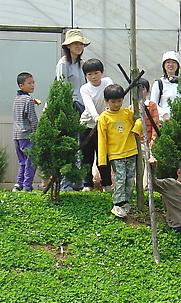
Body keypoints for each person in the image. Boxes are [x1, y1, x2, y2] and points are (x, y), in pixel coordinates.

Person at [97, 84, 142, 218]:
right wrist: (102, 160)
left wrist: (136, 129)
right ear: (106, 101)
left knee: (130, 178)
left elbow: (138, 120)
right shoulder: (104, 118)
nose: (116, 104)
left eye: (119, 101)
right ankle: (117, 203)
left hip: (131, 151)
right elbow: (101, 139)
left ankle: (126, 201)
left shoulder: (127, 113)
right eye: (113, 102)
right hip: (116, 154)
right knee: (120, 178)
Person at [79, 58, 114, 192]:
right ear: (86, 75)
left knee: (103, 156)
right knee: (86, 156)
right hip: (87, 126)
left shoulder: (107, 82)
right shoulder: (85, 89)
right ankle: (87, 184)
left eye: (96, 73)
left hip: (103, 126)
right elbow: (89, 105)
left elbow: (110, 95)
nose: (93, 77)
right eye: (89, 74)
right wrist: (96, 117)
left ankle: (106, 184)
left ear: (102, 72)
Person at [12, 72, 39, 192]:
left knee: (23, 162)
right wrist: (37, 133)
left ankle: (18, 184)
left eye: (33, 82)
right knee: (31, 161)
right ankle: (27, 186)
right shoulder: (27, 100)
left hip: (16, 135)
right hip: (27, 135)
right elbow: (32, 118)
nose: (32, 85)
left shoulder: (17, 99)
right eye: (29, 83)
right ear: (21, 85)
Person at [57, 29, 89, 113]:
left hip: (84, 105)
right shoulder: (63, 64)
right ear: (68, 46)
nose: (79, 46)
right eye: (75, 44)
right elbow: (62, 87)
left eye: (81, 44)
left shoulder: (82, 63)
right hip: (71, 106)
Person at [151, 51, 181, 121]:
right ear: (164, 65)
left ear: (178, 65)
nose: (171, 64)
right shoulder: (159, 83)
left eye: (173, 62)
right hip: (163, 122)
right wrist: (164, 114)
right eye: (168, 62)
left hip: (180, 122)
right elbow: (153, 104)